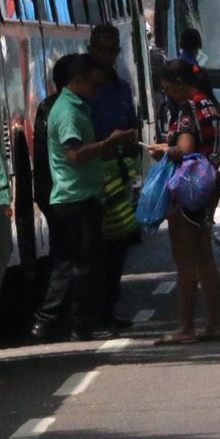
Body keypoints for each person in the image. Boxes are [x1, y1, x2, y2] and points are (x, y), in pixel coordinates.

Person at [31, 55, 135, 342]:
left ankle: (55, 321)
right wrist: (109, 144)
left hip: (76, 196)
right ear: (76, 81)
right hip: (75, 198)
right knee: (81, 265)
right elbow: (75, 154)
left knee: (71, 263)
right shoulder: (68, 112)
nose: (97, 91)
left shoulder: (75, 106)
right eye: (93, 85)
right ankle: (73, 323)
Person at [148, 59, 220, 345]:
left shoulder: (187, 108)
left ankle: (185, 327)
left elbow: (183, 149)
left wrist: (162, 149)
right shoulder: (211, 105)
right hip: (209, 183)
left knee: (185, 260)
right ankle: (214, 324)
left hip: (187, 187)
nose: (166, 92)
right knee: (204, 257)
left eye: (167, 87)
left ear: (180, 83)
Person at [86, 24, 140, 333]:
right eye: (101, 50)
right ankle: (92, 313)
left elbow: (131, 125)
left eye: (111, 51)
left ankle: (109, 309)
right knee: (94, 250)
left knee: (117, 248)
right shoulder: (85, 89)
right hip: (93, 177)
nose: (106, 56)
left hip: (120, 176)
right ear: (91, 49)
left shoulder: (121, 88)